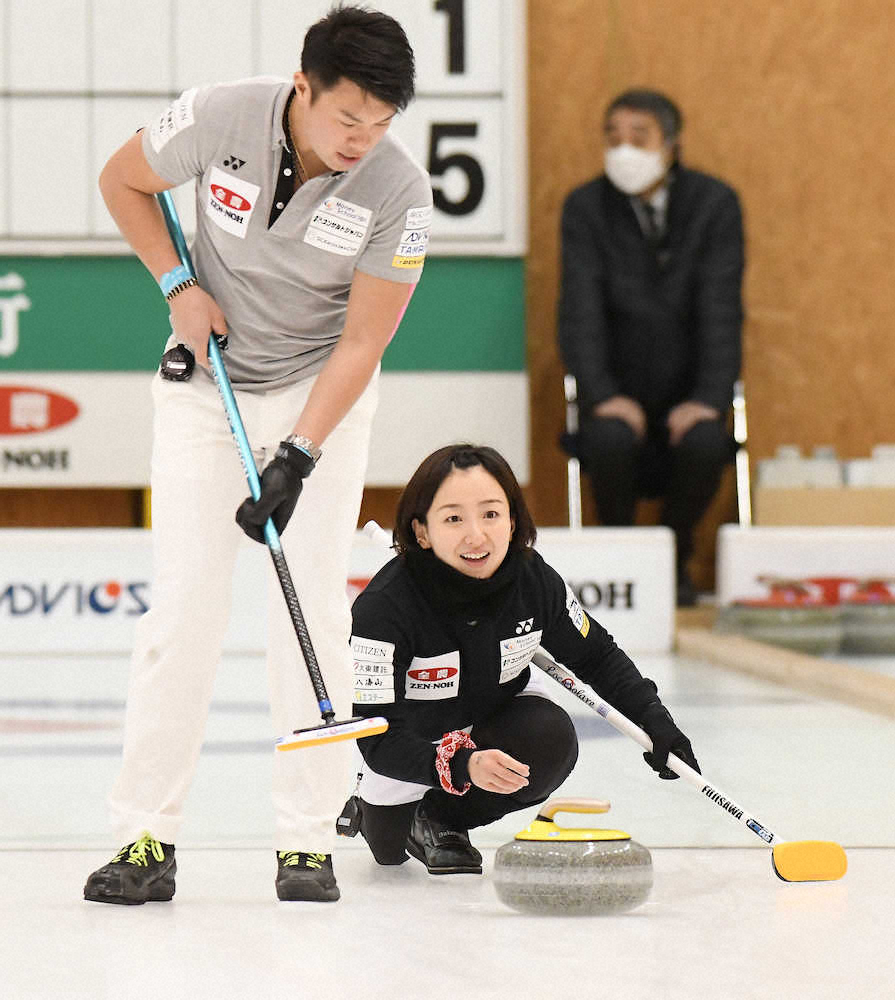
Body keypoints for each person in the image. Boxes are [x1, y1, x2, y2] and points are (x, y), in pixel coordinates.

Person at [84, 6, 432, 905]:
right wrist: (179, 286)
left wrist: (300, 457)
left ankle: (306, 842)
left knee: (309, 611)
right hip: (211, 387)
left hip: (323, 396)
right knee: (184, 616)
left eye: (382, 123)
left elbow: (362, 344)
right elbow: (122, 180)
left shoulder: (399, 193)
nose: (362, 139)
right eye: (347, 117)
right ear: (301, 85)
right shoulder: (219, 115)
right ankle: (145, 839)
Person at [341, 444, 699, 874]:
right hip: (409, 739)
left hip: (494, 712)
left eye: (491, 514)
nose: (476, 536)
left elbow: (598, 657)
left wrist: (654, 719)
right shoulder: (383, 608)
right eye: (453, 518)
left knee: (549, 738)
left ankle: (439, 819)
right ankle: (369, 806)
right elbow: (376, 733)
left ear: (512, 521)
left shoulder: (535, 581)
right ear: (421, 532)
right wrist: (459, 764)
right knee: (389, 850)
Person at [557, 88, 744, 606]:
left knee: (707, 441)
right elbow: (580, 311)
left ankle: (675, 558)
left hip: (689, 389)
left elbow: (722, 309)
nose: (623, 149)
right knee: (609, 439)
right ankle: (623, 564)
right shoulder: (587, 207)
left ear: (671, 144)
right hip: (617, 389)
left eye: (639, 137)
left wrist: (708, 397)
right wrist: (601, 393)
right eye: (612, 136)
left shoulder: (714, 205)